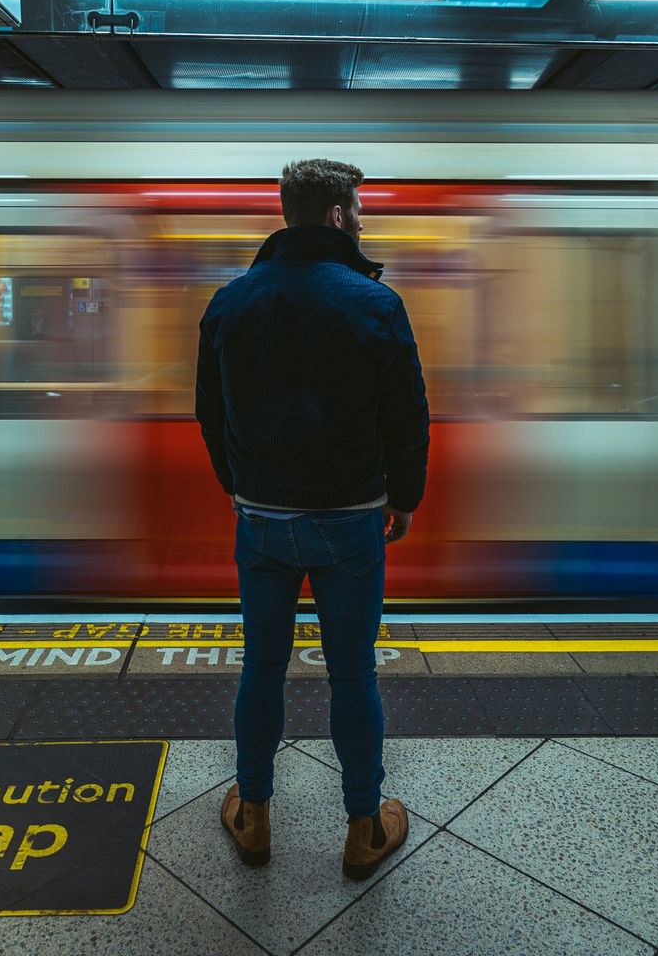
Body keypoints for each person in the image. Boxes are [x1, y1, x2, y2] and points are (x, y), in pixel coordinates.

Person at [195, 158, 430, 879]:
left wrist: (239, 487)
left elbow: (210, 413)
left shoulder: (230, 302)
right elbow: (408, 418)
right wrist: (406, 496)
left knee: (261, 666)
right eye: (358, 210)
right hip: (352, 521)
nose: (362, 221)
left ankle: (255, 814)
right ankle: (364, 826)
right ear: (333, 214)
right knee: (353, 673)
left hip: (262, 519)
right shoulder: (374, 303)